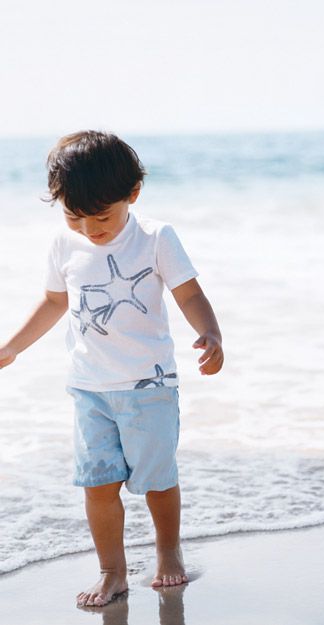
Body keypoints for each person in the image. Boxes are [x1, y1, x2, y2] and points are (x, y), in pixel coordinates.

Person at [0, 130, 224, 607]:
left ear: (133, 195)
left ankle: (168, 552)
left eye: (102, 216)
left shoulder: (155, 237)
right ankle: (112, 571)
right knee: (97, 484)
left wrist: (211, 333)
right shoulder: (64, 244)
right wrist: (13, 347)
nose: (89, 228)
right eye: (74, 215)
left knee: (157, 481)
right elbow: (53, 302)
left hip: (149, 386)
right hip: (89, 388)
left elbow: (189, 293)